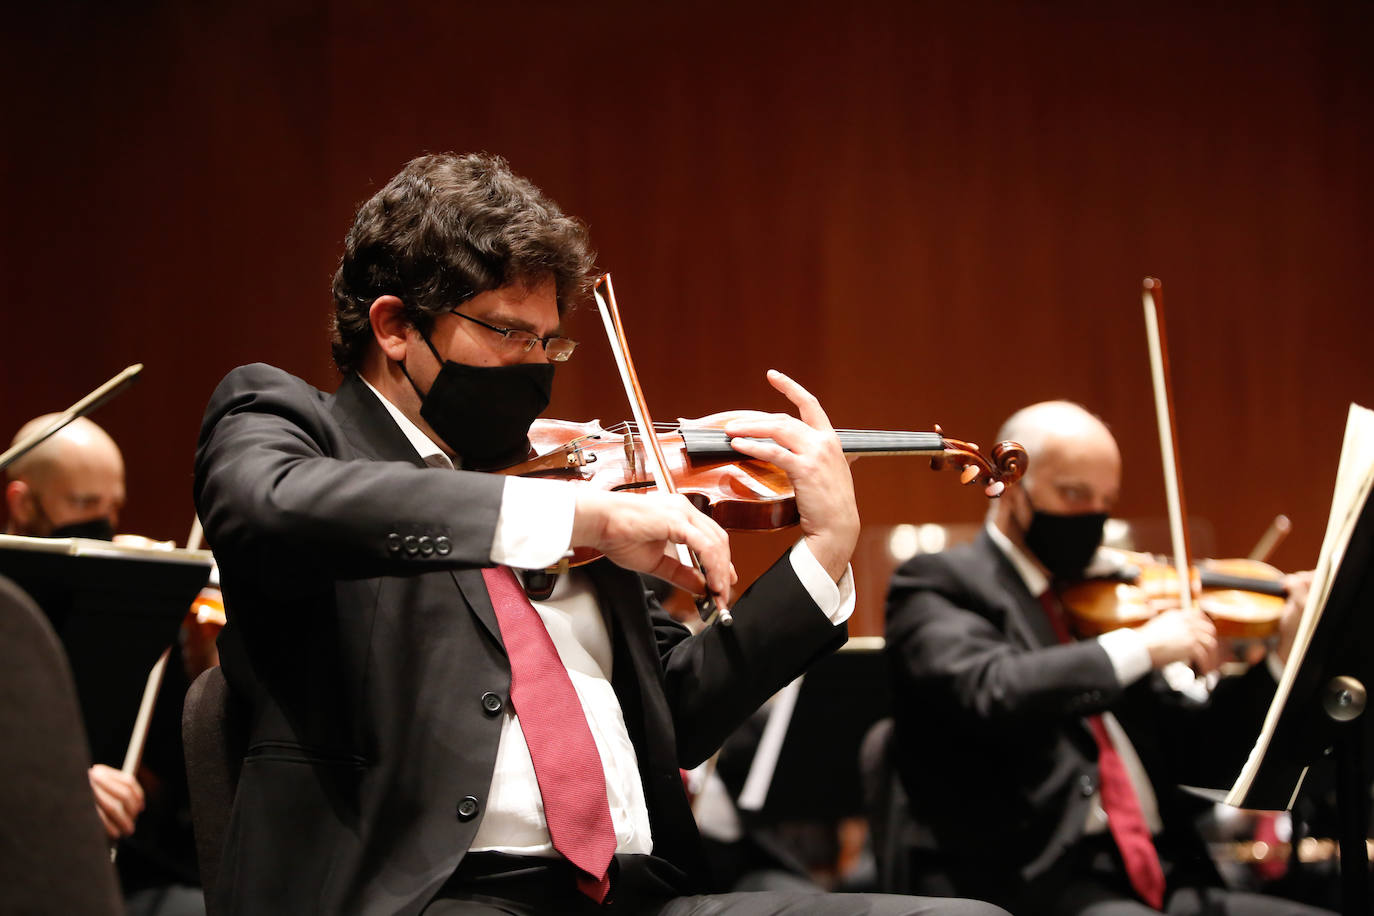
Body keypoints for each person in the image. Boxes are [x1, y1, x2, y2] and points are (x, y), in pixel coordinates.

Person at [192, 152, 1008, 916]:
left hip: (635, 893)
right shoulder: (289, 425)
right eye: (509, 333)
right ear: (397, 326)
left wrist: (824, 550)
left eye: (551, 341)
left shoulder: (564, 477)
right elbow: (268, 504)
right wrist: (576, 518)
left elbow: (681, 712)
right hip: (425, 893)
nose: (538, 366)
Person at [883, 400, 1334, 916]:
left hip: (1166, 869)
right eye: (1074, 494)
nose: (1093, 517)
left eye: (1106, 501)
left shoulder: (1110, 598)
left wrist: (1284, 656)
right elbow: (992, 686)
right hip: (1038, 879)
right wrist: (1142, 647)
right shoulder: (938, 583)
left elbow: (1201, 749)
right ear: (1010, 486)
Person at [4, 415, 206, 916]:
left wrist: (200, 665)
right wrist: (60, 786)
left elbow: (177, 770)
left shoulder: (127, 595)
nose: (105, 524)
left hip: (126, 872)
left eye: (111, 506)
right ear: (21, 502)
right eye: (82, 504)